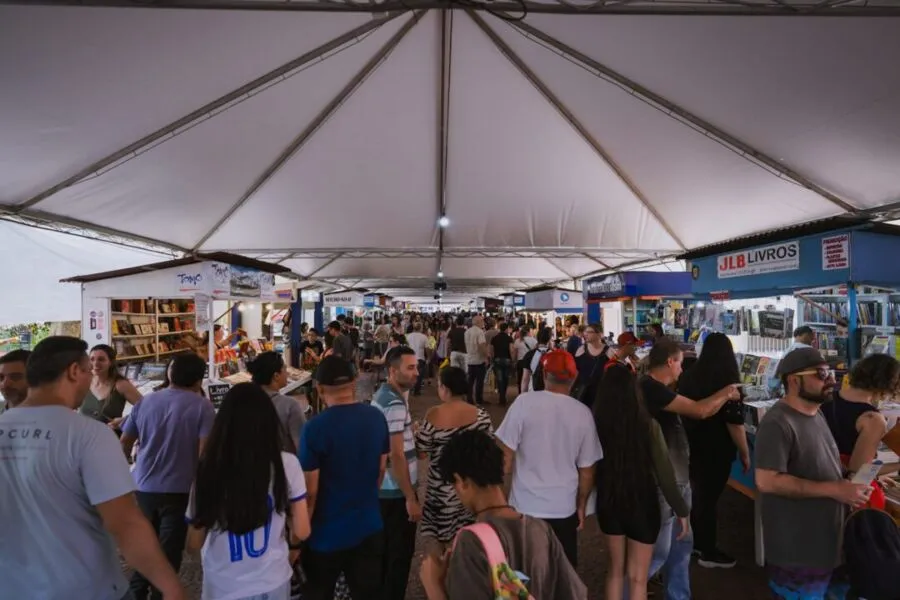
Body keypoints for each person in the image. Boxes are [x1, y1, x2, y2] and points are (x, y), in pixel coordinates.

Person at [0, 336, 185, 600]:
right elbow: (126, 524)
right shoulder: (89, 434)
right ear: (74, 371)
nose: (90, 380)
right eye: (88, 370)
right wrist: (171, 587)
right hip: (85, 588)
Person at [756, 347, 871, 600]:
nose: (831, 380)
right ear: (794, 381)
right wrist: (835, 490)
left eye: (830, 372)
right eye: (821, 374)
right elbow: (766, 481)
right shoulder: (777, 423)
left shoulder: (816, 413)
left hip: (829, 547)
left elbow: (821, 463)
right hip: (799, 553)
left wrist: (851, 480)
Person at [419, 429, 588, 600]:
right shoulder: (540, 528)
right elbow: (575, 593)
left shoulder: (470, 542)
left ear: (461, 481)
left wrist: (434, 586)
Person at [186, 383, 311, 600]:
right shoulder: (287, 465)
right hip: (273, 581)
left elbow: (193, 544)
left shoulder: (208, 469)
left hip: (223, 585)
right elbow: (302, 530)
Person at [639, 339, 739, 600]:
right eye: (680, 363)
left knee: (680, 546)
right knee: (658, 552)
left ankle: (678, 594)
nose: (682, 370)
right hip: (666, 481)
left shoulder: (650, 387)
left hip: (675, 477)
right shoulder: (652, 389)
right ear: (670, 362)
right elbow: (700, 410)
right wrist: (727, 393)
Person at [496, 349, 603, 568]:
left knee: (524, 573)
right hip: (563, 508)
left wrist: (500, 501)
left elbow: (504, 460)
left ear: (544, 375)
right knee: (562, 574)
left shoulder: (523, 403)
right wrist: (581, 505)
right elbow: (587, 470)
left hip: (524, 506)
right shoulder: (582, 413)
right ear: (573, 379)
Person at [122, 352, 216, 600]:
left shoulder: (146, 402)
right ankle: (158, 594)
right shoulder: (203, 407)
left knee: (145, 545)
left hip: (143, 486)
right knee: (168, 550)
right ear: (198, 380)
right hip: (180, 489)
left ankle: (136, 591)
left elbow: (124, 442)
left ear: (169, 374)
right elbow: (204, 453)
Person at [594, 364, 689, 600]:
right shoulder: (649, 426)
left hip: (608, 500)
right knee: (638, 577)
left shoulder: (596, 425)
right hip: (642, 503)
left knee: (615, 571)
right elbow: (666, 474)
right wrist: (681, 510)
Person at [298, 356, 389, 600]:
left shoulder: (314, 428)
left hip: (326, 535)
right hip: (369, 525)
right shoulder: (376, 417)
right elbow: (381, 469)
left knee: (319, 592)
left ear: (319, 388)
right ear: (354, 382)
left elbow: (311, 492)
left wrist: (297, 541)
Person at [677, 332, 750, 569]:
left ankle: (695, 542)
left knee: (700, 495)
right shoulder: (728, 383)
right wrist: (745, 452)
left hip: (692, 444)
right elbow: (734, 423)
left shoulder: (688, 376)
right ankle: (706, 550)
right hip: (717, 448)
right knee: (708, 499)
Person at [416, 367, 493, 555]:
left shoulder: (434, 414)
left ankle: (441, 577)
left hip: (441, 490)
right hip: (472, 488)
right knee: (467, 539)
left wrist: (417, 432)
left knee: (442, 542)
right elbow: (489, 451)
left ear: (446, 389)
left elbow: (422, 453)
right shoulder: (481, 416)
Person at [372, 346, 421, 600]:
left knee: (387, 557)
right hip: (395, 493)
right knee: (397, 560)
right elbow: (396, 454)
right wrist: (410, 498)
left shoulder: (388, 395)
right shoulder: (393, 402)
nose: (416, 373)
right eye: (410, 368)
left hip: (388, 491)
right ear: (393, 371)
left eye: (416, 367)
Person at [823, 354, 900, 507]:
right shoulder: (872, 419)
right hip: (849, 497)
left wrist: (877, 477)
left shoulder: (826, 399)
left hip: (822, 482)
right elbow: (859, 475)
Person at [247, 351, 306, 453]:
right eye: (284, 369)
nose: (287, 373)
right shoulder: (290, 406)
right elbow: (302, 447)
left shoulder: (243, 403)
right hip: (283, 467)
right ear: (276, 376)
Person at [80, 344, 142, 428]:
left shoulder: (120, 385)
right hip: (83, 437)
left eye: (101, 359)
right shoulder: (84, 381)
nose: (95, 363)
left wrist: (124, 420)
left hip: (109, 438)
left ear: (111, 362)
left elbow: (147, 409)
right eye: (92, 359)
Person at [573, 324, 609, 408]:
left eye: (589, 332)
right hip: (584, 393)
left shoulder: (609, 352)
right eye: (586, 332)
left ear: (599, 334)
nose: (586, 334)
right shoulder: (581, 350)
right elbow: (575, 372)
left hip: (602, 393)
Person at [488, 322, 515, 405]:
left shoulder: (494, 338)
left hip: (497, 360)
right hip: (507, 360)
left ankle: (501, 397)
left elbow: (491, 350)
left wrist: (492, 359)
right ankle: (503, 396)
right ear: (506, 329)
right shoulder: (509, 338)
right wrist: (513, 360)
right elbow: (511, 350)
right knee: (506, 379)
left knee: (499, 379)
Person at [464, 315, 489, 406]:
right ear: (478, 322)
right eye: (482, 321)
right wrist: (486, 356)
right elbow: (481, 345)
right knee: (479, 381)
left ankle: (469, 398)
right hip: (479, 360)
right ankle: (479, 399)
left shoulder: (467, 332)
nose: (483, 323)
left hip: (470, 359)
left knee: (470, 381)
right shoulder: (480, 332)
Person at [520, 326, 553, 393]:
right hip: (550, 393)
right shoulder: (554, 355)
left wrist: (523, 395)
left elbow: (525, 379)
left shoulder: (529, 355)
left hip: (533, 392)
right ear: (549, 339)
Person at [406, 322, 429, 396]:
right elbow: (427, 348)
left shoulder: (408, 336)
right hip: (420, 358)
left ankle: (409, 389)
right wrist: (428, 357)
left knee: (410, 374)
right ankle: (417, 391)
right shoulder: (424, 337)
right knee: (418, 375)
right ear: (420, 328)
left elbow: (406, 347)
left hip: (410, 357)